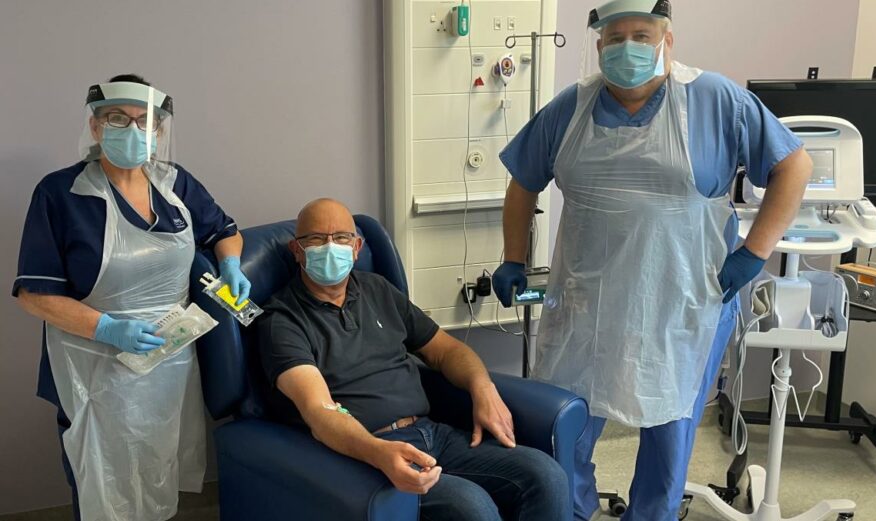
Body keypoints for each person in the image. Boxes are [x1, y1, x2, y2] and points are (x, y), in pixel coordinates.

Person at [492, 1, 813, 520]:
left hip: (682, 302)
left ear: (668, 39)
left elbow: (793, 164)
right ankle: (570, 511)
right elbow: (523, 181)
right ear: (598, 47)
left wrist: (755, 251)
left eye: (641, 34)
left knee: (667, 440)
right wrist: (511, 257)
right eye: (614, 38)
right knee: (564, 424)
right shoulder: (571, 107)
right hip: (584, 300)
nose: (627, 47)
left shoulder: (714, 100)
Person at [13, 74, 252, 521]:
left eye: (145, 121)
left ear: (159, 131)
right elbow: (34, 295)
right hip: (91, 368)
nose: (133, 129)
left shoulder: (175, 185)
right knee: (102, 483)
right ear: (97, 125)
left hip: (168, 363)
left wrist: (232, 266)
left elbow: (225, 232)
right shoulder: (62, 194)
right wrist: (108, 328)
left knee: (157, 470)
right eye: (118, 118)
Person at [257, 198, 569, 521]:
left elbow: (447, 351)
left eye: (341, 238)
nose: (330, 247)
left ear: (357, 247)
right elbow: (319, 412)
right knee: (471, 507)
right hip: (366, 451)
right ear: (296, 250)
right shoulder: (281, 321)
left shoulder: (378, 290)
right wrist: (379, 453)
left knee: (546, 477)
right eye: (316, 239)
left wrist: (483, 388)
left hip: (431, 434)